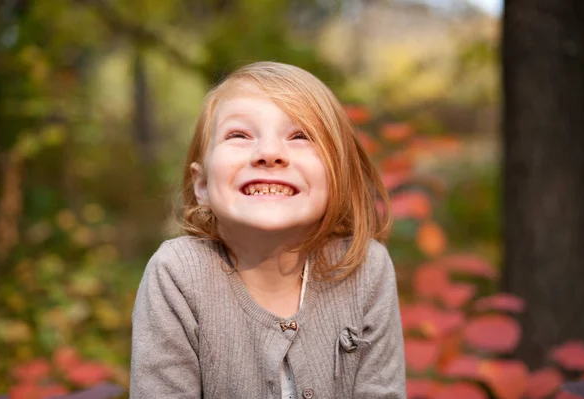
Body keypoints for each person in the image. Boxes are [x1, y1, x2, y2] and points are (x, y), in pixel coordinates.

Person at [130, 61, 406, 399]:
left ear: (338, 178)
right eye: (239, 135)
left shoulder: (366, 268)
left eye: (300, 135)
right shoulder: (178, 275)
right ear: (201, 185)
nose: (269, 153)